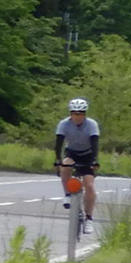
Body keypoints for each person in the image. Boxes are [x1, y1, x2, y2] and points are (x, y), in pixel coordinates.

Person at [54, 97, 102, 226]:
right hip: (72, 152)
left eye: (81, 114)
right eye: (75, 114)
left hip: (88, 154)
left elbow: (95, 143)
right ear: (70, 114)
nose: (78, 116)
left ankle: (89, 218)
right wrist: (58, 160)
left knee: (89, 186)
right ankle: (68, 194)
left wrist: (95, 160)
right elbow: (59, 143)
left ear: (85, 114)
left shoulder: (91, 124)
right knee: (66, 165)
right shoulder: (64, 124)